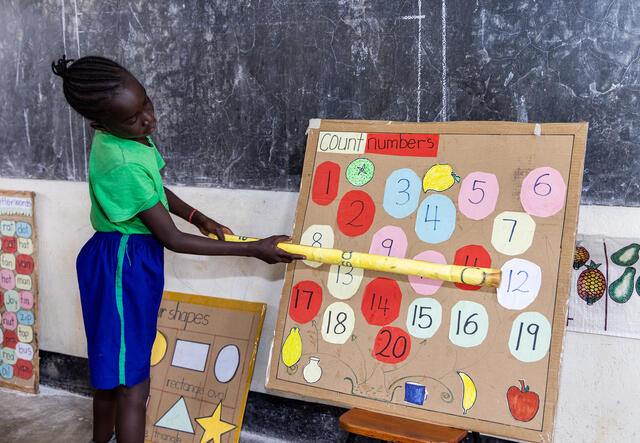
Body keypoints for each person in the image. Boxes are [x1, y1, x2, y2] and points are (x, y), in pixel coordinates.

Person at [51, 55, 303, 443]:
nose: (147, 120)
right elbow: (172, 239)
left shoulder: (128, 139)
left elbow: (154, 192)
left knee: (112, 371)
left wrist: (197, 215)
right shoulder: (121, 161)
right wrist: (255, 249)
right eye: (135, 118)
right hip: (123, 265)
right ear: (101, 123)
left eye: (146, 104)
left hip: (124, 259)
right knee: (133, 383)